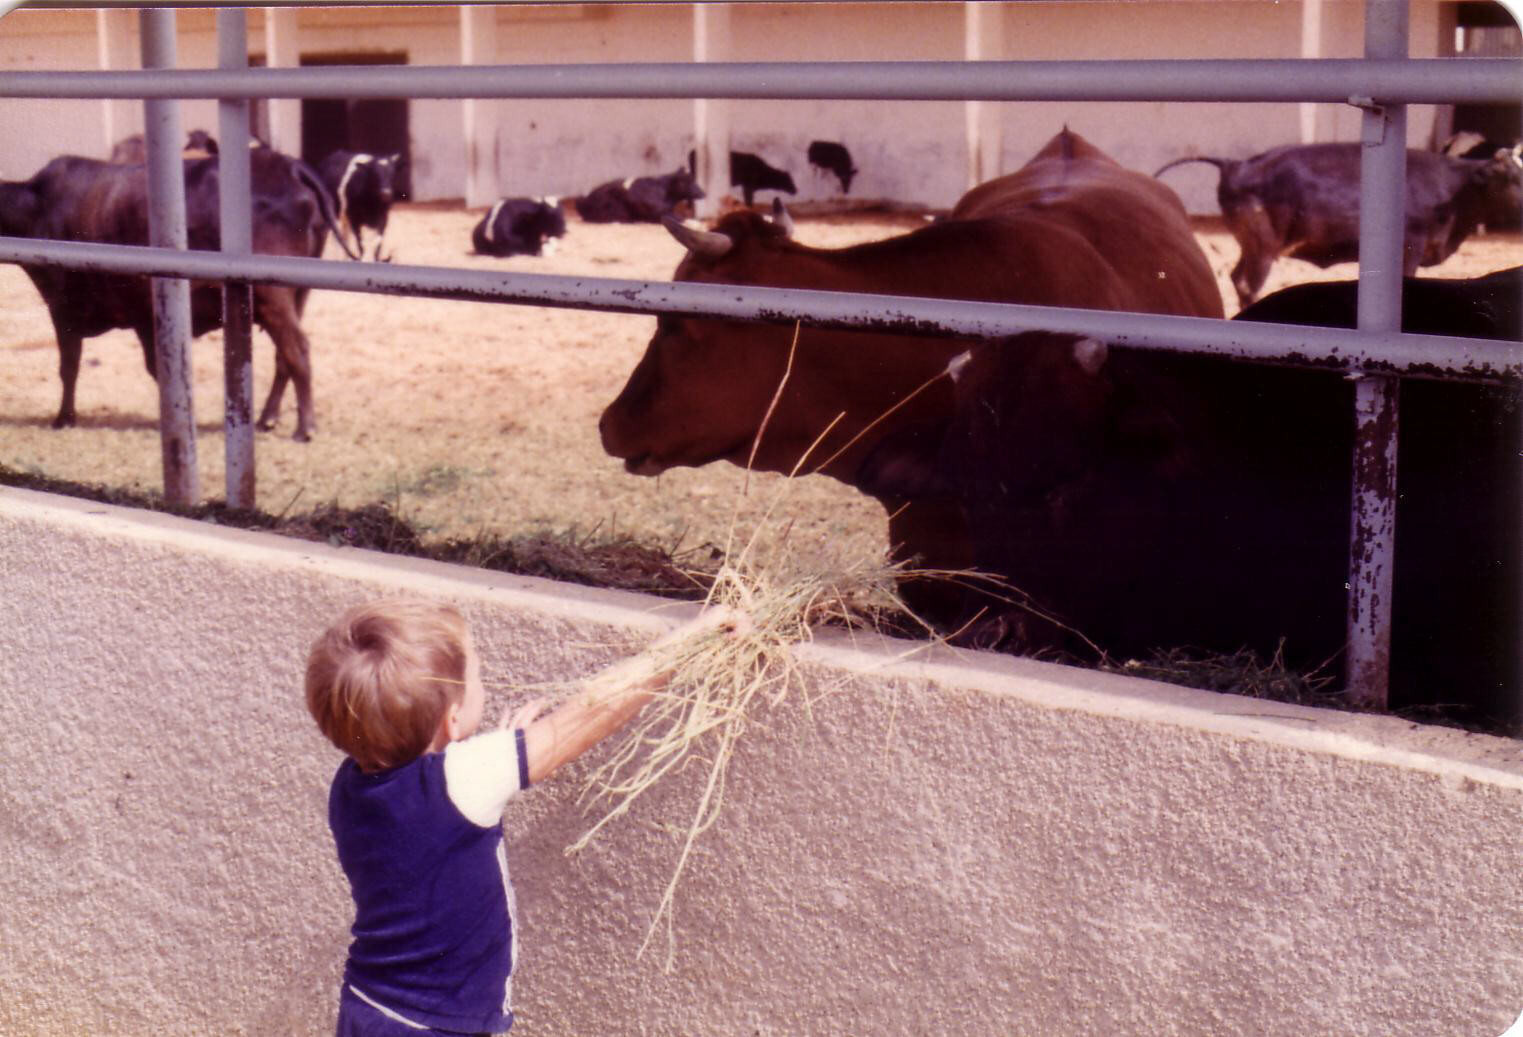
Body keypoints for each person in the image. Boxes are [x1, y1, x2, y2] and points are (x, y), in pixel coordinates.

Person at [305, 595, 740, 1036]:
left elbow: (423, 798)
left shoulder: (350, 785)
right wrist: (693, 638)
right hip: (437, 1025)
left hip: (367, 1005)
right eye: (477, 677)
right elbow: (593, 714)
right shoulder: (462, 778)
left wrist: (494, 749)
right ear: (453, 721)